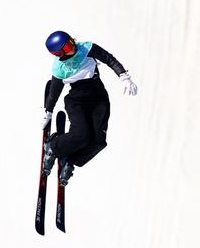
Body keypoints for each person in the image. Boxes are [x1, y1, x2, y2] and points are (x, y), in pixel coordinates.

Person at [40, 30, 138, 186]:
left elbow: (109, 59)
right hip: (77, 100)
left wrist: (124, 77)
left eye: (71, 42)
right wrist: (48, 111)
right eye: (66, 49)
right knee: (81, 135)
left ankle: (70, 161)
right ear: (59, 53)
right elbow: (54, 92)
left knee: (99, 142)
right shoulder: (59, 69)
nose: (72, 48)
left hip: (99, 98)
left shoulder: (86, 48)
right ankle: (53, 147)